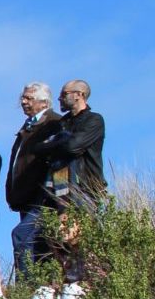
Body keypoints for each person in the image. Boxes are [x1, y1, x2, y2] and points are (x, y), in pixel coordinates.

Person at [5, 81, 62, 270]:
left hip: (43, 197)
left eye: (29, 98)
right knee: (38, 246)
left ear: (44, 102)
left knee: (24, 237)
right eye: (23, 98)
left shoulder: (53, 123)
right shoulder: (28, 126)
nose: (23, 102)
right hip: (26, 198)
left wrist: (50, 193)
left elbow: (57, 160)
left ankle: (28, 285)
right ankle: (41, 284)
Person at [34, 79, 107, 208]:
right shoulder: (60, 124)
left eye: (64, 94)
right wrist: (62, 142)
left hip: (85, 190)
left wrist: (55, 144)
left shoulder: (94, 120)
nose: (59, 98)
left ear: (79, 95)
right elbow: (38, 149)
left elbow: (71, 147)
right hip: (55, 192)